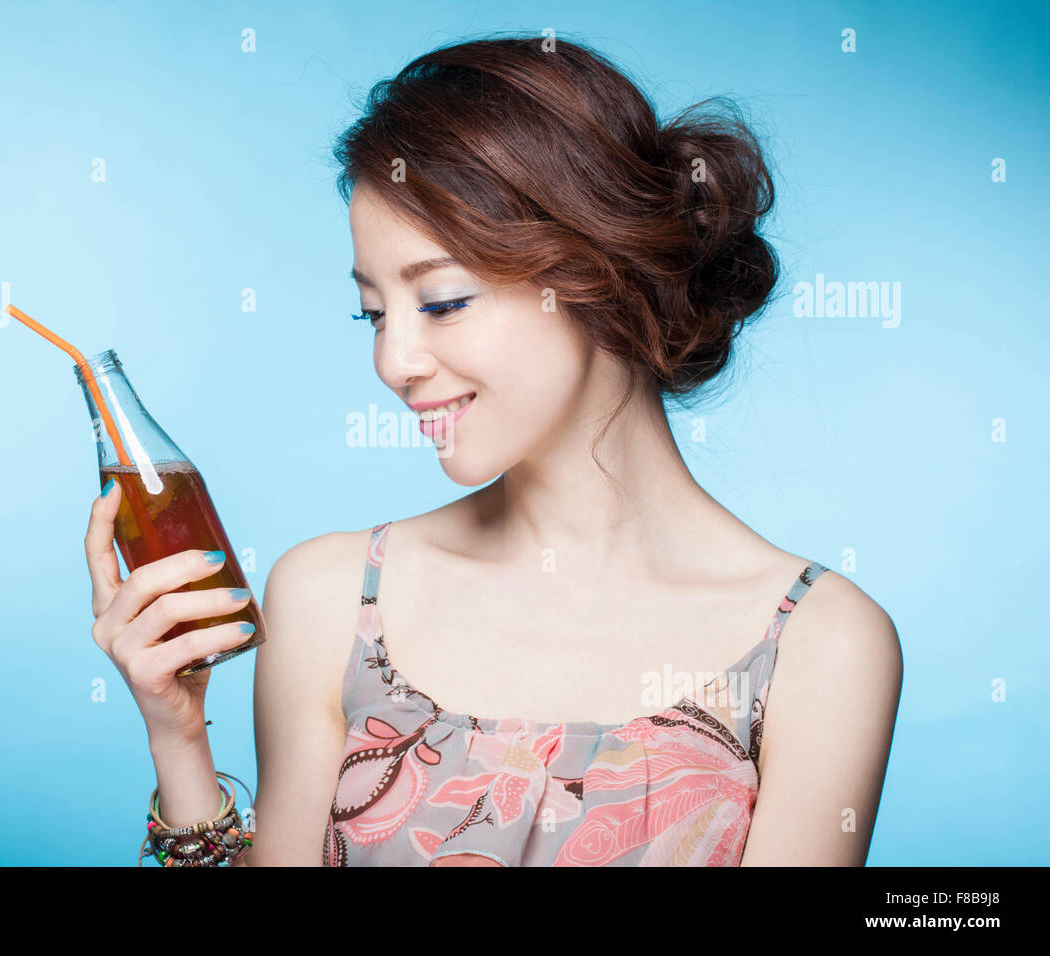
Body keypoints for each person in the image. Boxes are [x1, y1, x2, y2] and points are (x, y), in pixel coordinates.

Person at [86, 34, 902, 867]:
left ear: (595, 272)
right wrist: (180, 741)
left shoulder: (817, 645)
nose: (393, 363)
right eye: (372, 312)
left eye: (441, 302)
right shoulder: (332, 600)